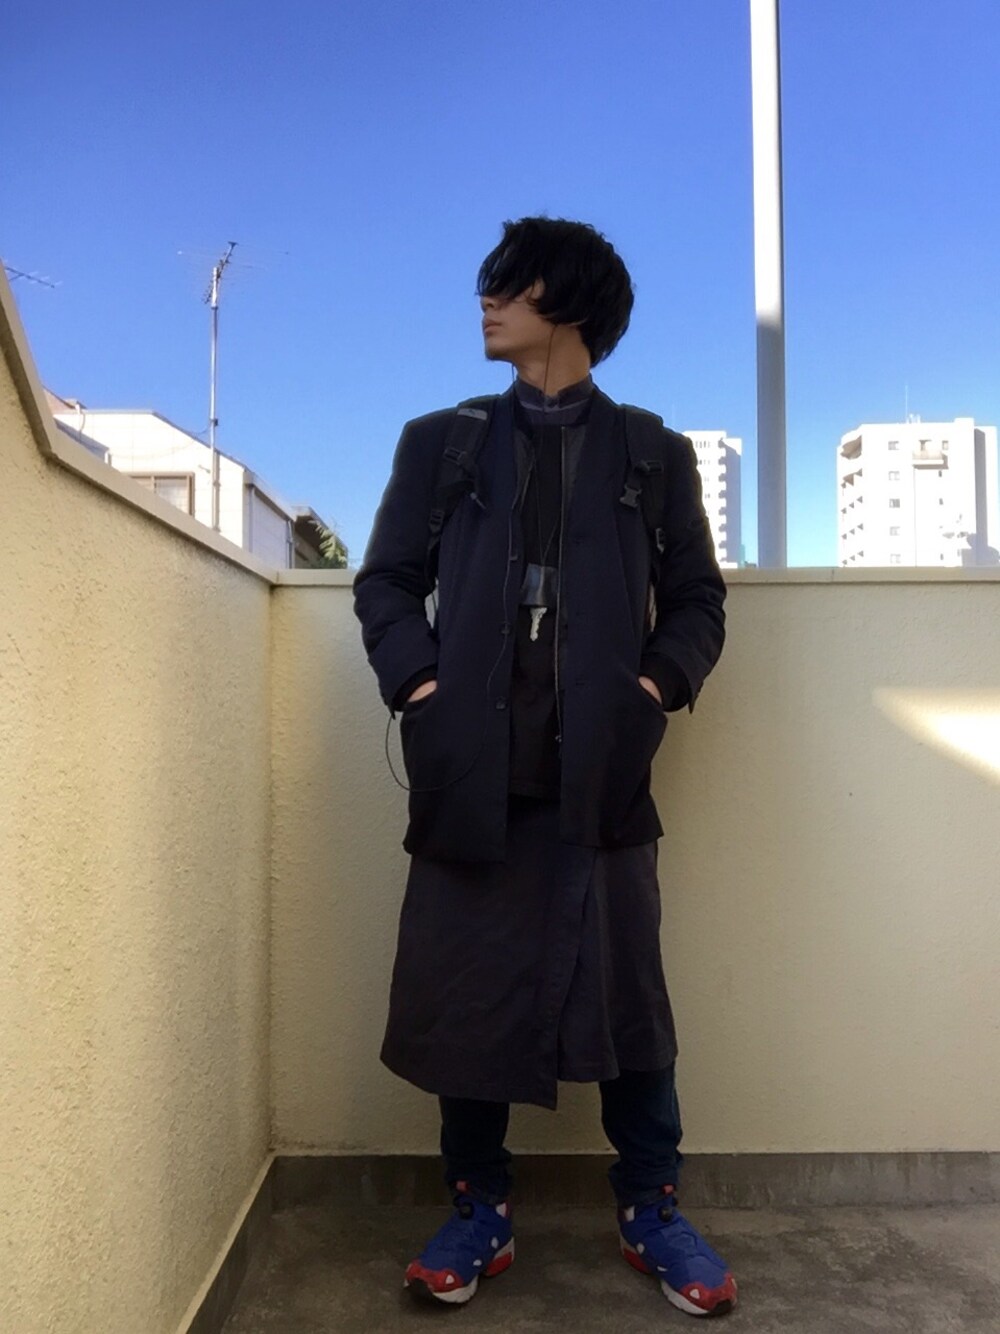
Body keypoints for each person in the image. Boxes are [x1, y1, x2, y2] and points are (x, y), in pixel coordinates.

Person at [353, 216, 735, 1317]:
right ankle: (478, 1207)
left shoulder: (652, 453)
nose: (487, 301)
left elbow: (698, 601)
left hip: (600, 778)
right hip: (470, 774)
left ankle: (652, 1206)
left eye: (509, 285)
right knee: (466, 999)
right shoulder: (444, 442)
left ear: (565, 302)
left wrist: (651, 690)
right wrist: (420, 689)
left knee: (629, 1003)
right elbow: (386, 583)